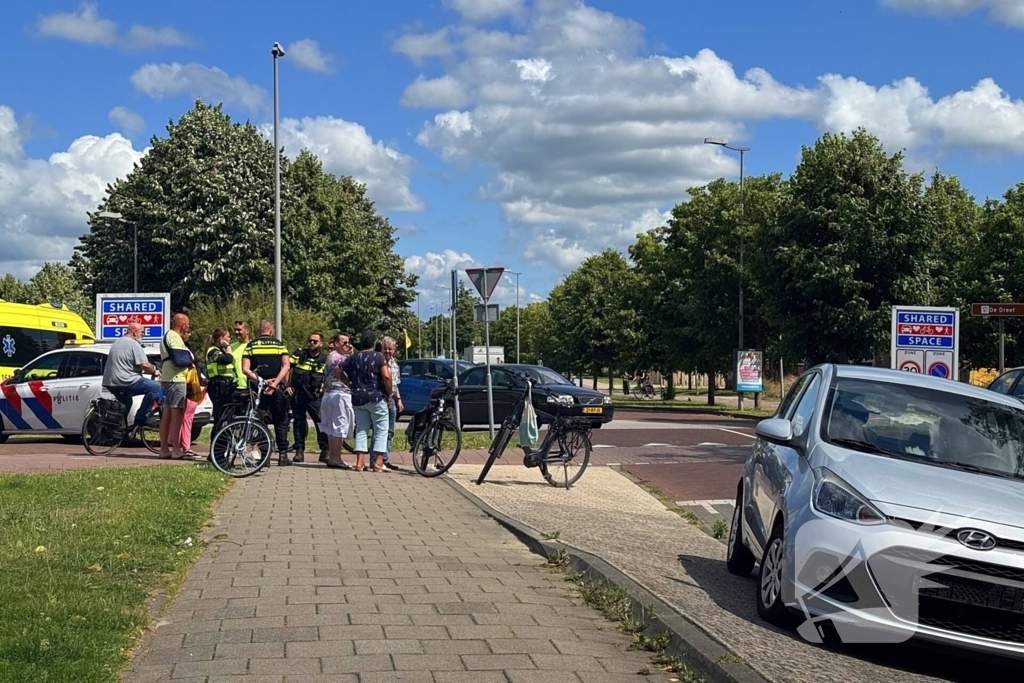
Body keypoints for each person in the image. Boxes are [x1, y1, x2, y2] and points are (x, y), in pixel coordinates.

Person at [241, 319, 292, 466]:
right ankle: (283, 456)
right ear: (271, 331)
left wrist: (262, 381)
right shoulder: (279, 345)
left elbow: (245, 369)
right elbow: (286, 366)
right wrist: (275, 383)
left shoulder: (251, 345)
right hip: (277, 388)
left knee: (260, 420)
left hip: (258, 388)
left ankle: (265, 456)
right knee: (281, 420)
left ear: (259, 330)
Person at [342, 331, 392, 472]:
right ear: (374, 343)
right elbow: (386, 377)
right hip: (376, 396)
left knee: (362, 429)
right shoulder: (378, 357)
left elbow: (337, 371)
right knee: (381, 429)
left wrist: (349, 383)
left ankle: (359, 462)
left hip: (357, 397)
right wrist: (390, 392)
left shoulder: (354, 357)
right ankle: (378, 462)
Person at [101, 321, 161, 439]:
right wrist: (155, 370)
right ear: (134, 333)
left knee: (127, 402)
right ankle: (140, 418)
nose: (143, 335)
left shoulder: (117, 342)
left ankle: (118, 427)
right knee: (155, 387)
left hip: (110, 382)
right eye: (142, 333)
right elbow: (144, 365)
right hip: (126, 381)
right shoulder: (134, 344)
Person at [288, 332, 328, 464]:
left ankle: (324, 450)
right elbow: (286, 367)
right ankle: (299, 450)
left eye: (315, 341)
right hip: (298, 395)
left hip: (314, 397)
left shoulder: (324, 359)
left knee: (321, 423)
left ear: (321, 344)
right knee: (298, 422)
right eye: (310, 340)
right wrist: (287, 384)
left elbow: (328, 377)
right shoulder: (299, 354)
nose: (311, 343)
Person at [159, 313, 192, 459]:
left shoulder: (167, 335)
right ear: (183, 325)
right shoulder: (174, 337)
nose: (188, 327)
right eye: (188, 324)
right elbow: (180, 359)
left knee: (166, 415)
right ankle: (176, 449)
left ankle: (164, 449)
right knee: (176, 415)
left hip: (166, 378)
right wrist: (190, 360)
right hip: (176, 379)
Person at [319, 332, 354, 469]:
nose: (348, 345)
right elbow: (342, 372)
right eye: (344, 343)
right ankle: (337, 458)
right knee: (339, 426)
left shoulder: (332, 356)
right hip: (339, 395)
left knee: (332, 428)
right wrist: (350, 384)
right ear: (336, 344)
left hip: (329, 394)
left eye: (348, 342)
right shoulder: (337, 358)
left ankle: (333, 457)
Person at [204, 328, 237, 437]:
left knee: (225, 417)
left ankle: (222, 446)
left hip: (226, 385)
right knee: (220, 417)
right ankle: (217, 448)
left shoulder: (220, 350)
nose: (230, 339)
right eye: (227, 336)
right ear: (221, 338)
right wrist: (227, 347)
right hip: (218, 385)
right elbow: (226, 359)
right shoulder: (213, 350)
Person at [178, 325, 203, 459]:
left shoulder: (187, 346)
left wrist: (201, 379)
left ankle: (182, 444)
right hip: (187, 384)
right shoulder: (181, 348)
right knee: (187, 416)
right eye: (187, 332)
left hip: (192, 383)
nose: (189, 335)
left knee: (187, 416)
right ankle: (185, 446)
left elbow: (196, 366)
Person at [381, 336, 404, 471]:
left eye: (390, 349)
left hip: (392, 402)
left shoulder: (395, 365)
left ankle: (386, 458)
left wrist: (399, 400)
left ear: (394, 350)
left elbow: (395, 385)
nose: (387, 351)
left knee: (390, 432)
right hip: (381, 400)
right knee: (380, 431)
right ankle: (377, 459)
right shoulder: (379, 362)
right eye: (385, 348)